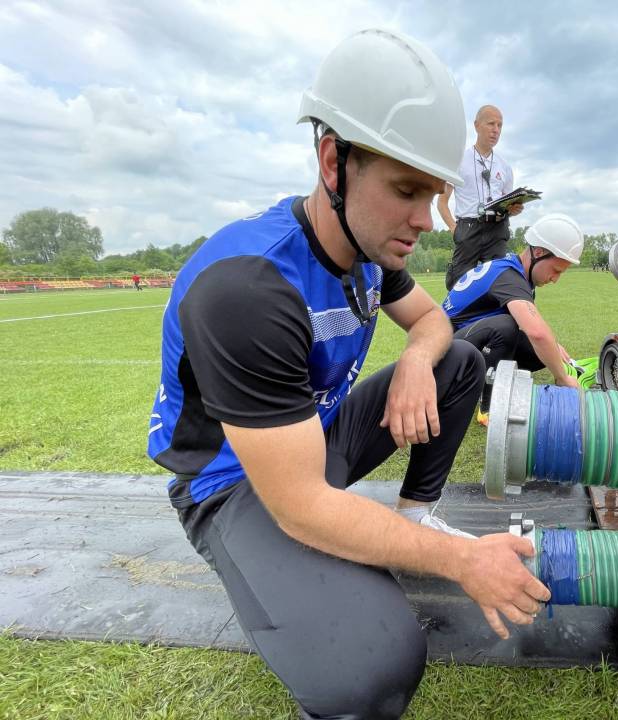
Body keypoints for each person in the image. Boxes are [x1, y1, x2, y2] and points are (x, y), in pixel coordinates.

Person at [147, 29, 549, 720]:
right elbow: (300, 502)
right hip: (236, 486)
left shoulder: (369, 249)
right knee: (369, 670)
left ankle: (416, 514)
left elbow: (434, 322)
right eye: (405, 190)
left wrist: (417, 359)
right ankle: (267, 568)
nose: (424, 220)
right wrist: (459, 561)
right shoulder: (249, 287)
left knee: (456, 360)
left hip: (314, 441)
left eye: (434, 193)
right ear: (334, 162)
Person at [442, 213, 583, 425]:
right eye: (556, 270)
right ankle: (488, 406)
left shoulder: (515, 273)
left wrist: (553, 348)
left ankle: (499, 383)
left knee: (542, 353)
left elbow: (532, 332)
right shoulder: (509, 276)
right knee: (506, 328)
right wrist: (563, 378)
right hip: (442, 351)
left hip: (461, 343)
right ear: (538, 252)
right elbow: (536, 332)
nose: (555, 279)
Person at [437, 105, 525, 290]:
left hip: (497, 229)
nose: (496, 130)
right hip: (468, 229)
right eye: (491, 124)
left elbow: (507, 203)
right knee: (458, 285)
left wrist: (514, 209)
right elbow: (442, 202)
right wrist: (454, 228)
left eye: (500, 125)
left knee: (497, 284)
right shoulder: (459, 160)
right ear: (476, 125)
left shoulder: (505, 167)